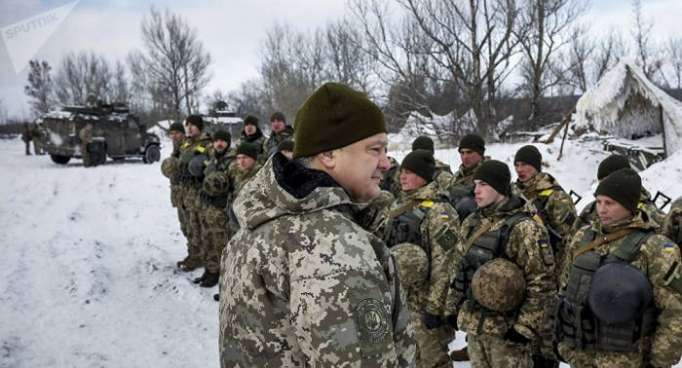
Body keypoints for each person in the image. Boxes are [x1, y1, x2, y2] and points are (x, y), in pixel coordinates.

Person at [219, 82, 415, 367]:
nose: (386, 163)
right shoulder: (336, 248)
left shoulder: (257, 221)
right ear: (328, 155)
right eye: (375, 150)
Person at [555, 169, 682, 368]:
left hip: (626, 360)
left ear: (629, 205)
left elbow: (674, 313)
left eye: (610, 203)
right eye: (598, 201)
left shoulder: (655, 248)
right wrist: (559, 338)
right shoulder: (583, 238)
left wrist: (659, 361)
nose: (602, 209)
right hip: (581, 355)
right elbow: (565, 290)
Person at [446, 160, 556, 368]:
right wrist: (452, 307)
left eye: (484, 185)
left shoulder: (525, 228)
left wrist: (525, 328)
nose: (476, 191)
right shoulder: (472, 222)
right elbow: (459, 266)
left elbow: (542, 284)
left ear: (500, 187)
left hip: (507, 332)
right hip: (476, 326)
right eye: (476, 184)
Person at [382, 149, 460, 368]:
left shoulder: (440, 212)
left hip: (424, 303)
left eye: (409, 172)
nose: (402, 176)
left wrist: (435, 308)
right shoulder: (399, 206)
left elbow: (445, 264)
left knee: (432, 360)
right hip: (401, 299)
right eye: (402, 172)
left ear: (424, 176)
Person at [513, 144, 577, 268]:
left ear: (536, 166)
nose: (519, 169)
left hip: (545, 265)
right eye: (517, 165)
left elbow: (568, 241)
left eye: (524, 164)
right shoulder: (512, 191)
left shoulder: (557, 197)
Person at [574, 154, 666, 230]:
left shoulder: (649, 213)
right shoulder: (591, 209)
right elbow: (574, 235)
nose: (603, 187)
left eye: (606, 181)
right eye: (601, 182)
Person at [196, 129, 233, 288]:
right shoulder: (212, 158)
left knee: (221, 245)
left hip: (221, 210)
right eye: (217, 140)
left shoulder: (232, 161)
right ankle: (211, 270)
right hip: (207, 207)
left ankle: (225, 279)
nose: (219, 143)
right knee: (207, 240)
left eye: (223, 141)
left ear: (228, 143)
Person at [175, 115, 212, 272]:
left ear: (200, 127)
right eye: (187, 125)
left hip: (198, 192)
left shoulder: (207, 144)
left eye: (193, 125)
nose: (189, 128)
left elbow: (210, 165)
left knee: (200, 227)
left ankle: (203, 258)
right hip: (185, 192)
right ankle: (193, 255)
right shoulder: (185, 144)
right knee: (189, 226)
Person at [160, 123, 191, 267]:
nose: (174, 136)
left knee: (192, 227)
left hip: (188, 194)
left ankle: (196, 256)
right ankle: (193, 254)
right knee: (185, 226)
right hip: (179, 194)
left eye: (177, 133)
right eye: (172, 134)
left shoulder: (187, 147)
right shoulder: (176, 148)